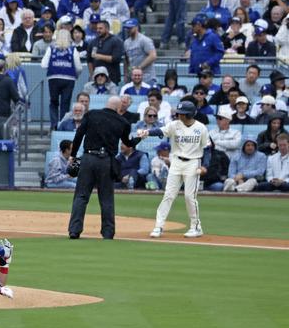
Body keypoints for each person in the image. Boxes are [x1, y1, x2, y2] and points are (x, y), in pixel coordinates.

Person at [67, 96, 141, 239]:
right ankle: (108, 232)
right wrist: (139, 138)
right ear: (119, 108)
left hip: (88, 158)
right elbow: (129, 143)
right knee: (106, 198)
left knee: (81, 196)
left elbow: (79, 135)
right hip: (106, 161)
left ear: (106, 104)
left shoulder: (91, 114)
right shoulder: (123, 122)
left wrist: (74, 155)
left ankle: (74, 230)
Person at [140, 100, 210, 238]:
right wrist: (147, 132)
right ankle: (158, 226)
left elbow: (207, 148)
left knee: (190, 196)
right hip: (176, 161)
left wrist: (204, 166)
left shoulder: (201, 128)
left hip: (193, 163)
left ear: (189, 115)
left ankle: (196, 227)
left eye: (182, 114)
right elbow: (160, 130)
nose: (179, 115)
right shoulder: (175, 125)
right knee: (168, 195)